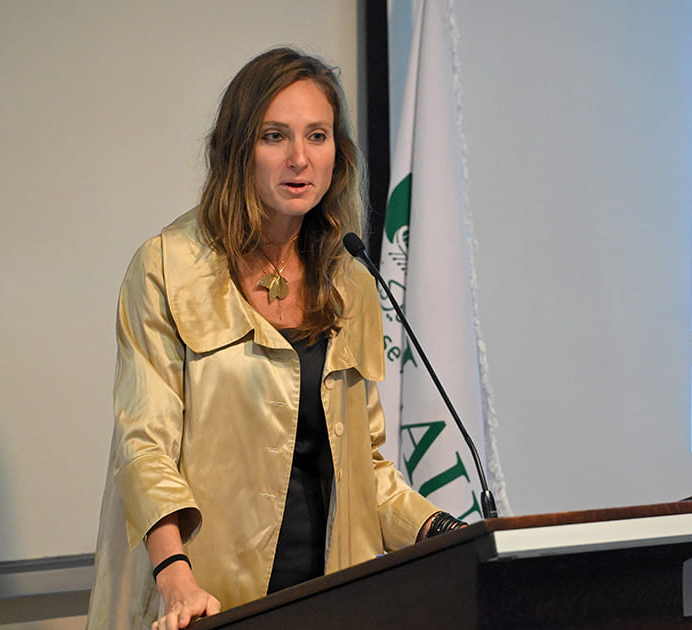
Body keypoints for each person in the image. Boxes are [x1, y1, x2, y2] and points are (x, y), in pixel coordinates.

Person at [86, 47, 465, 630]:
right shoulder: (167, 267)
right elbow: (145, 448)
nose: (299, 158)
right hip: (201, 598)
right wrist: (177, 578)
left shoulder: (350, 281)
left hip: (332, 597)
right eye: (274, 136)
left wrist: (445, 532)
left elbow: (364, 469)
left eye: (317, 136)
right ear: (238, 149)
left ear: (337, 154)